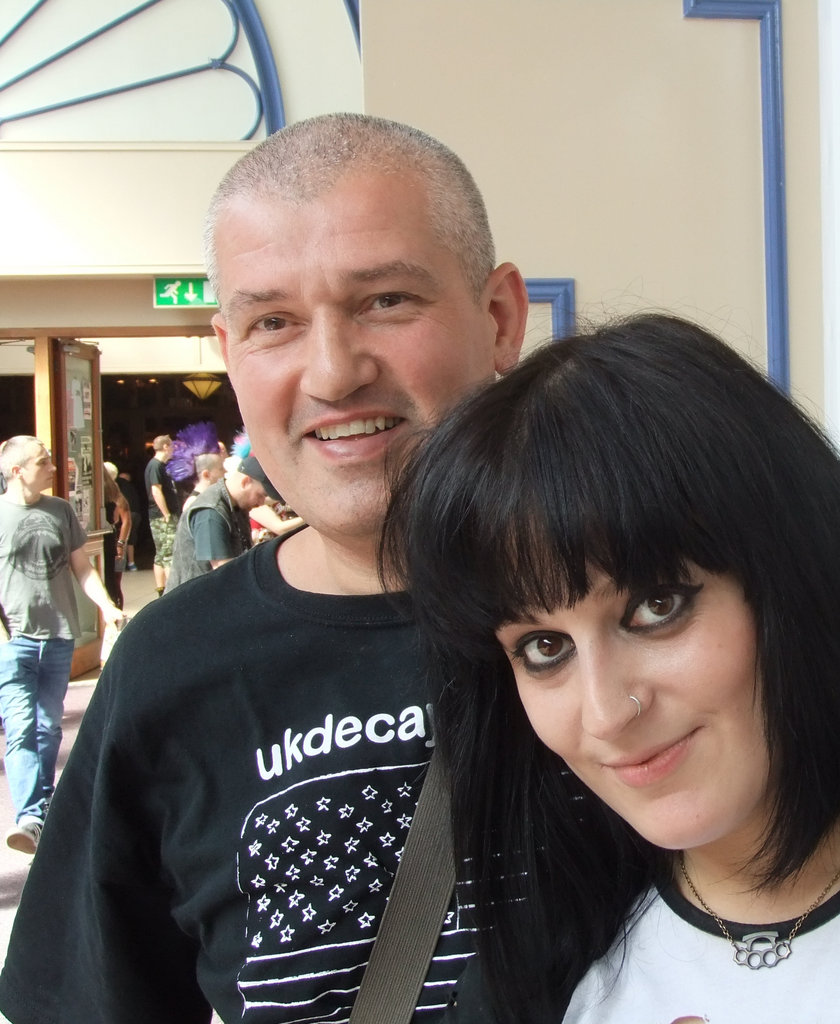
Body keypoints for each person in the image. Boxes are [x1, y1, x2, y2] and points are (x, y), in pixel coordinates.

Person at [0, 113, 528, 1024]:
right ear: (229, 352)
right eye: (273, 322)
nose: (333, 372)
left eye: (385, 301)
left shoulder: (653, 599)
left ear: (498, 320)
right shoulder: (172, 665)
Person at [381, 314, 840, 1024]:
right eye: (544, 648)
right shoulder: (537, 971)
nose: (607, 713)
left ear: (800, 576)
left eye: (655, 607)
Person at [0, 437, 125, 855]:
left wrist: (107, 607)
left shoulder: (60, 510)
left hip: (57, 636)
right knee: (20, 728)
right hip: (13, 642)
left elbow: (82, 567)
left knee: (47, 726)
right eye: (44, 462)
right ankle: (29, 816)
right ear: (17, 470)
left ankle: (41, 808)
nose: (53, 467)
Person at [164, 454, 275, 591]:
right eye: (261, 495)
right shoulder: (211, 511)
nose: (262, 502)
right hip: (193, 599)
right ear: (246, 482)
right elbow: (223, 570)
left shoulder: (235, 504)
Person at [144, 433, 181, 596]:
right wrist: (166, 514)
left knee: (161, 554)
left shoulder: (160, 466)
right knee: (168, 553)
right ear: (165, 447)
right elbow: (156, 490)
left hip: (161, 515)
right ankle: (171, 591)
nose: (173, 449)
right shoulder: (155, 466)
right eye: (171, 446)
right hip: (162, 516)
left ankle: (161, 590)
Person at [101, 462, 131, 609]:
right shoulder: (113, 490)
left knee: (113, 581)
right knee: (114, 582)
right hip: (112, 538)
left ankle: (116, 610)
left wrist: (120, 543)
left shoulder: (110, 490)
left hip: (113, 540)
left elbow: (123, 520)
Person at [114, 466, 142, 570]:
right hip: (136, 514)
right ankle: (131, 563)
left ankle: (120, 563)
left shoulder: (117, 484)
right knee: (131, 539)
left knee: (120, 537)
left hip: (125, 513)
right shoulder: (132, 487)